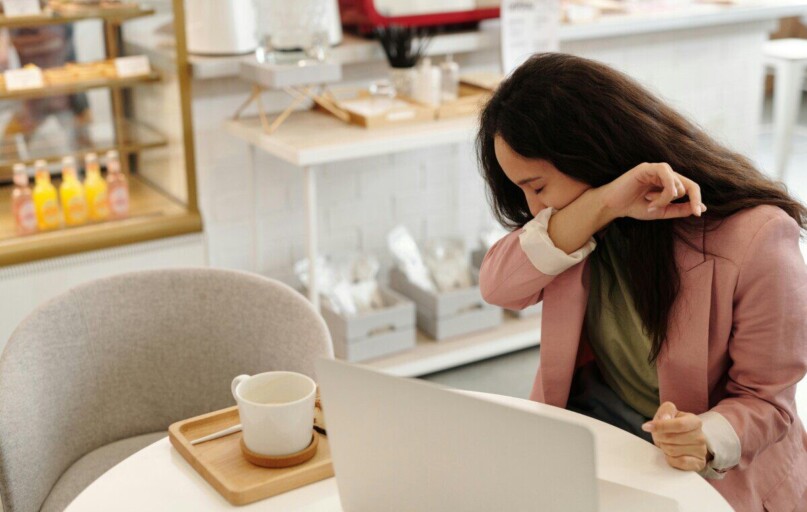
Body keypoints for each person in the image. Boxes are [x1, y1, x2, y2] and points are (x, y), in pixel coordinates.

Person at [477, 53, 807, 511]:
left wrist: (704, 436)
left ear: (590, 153)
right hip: (596, 424)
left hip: (706, 466)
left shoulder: (757, 236)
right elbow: (498, 288)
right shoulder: (576, 225)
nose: (534, 210)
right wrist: (603, 205)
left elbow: (768, 403)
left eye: (537, 186)